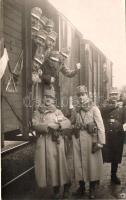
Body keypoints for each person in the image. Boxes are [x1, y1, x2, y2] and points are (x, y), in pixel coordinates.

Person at [32, 88, 71, 199]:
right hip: (43, 142)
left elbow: (67, 122)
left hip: (56, 142)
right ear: (43, 98)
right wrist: (47, 126)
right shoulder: (38, 111)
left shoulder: (57, 112)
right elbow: (35, 124)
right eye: (46, 97)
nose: (48, 99)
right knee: (49, 166)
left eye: (51, 97)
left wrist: (59, 125)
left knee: (59, 165)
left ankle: (66, 184)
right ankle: (56, 189)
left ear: (54, 100)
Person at [70, 85, 105, 199]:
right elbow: (71, 122)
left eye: (83, 94)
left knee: (92, 164)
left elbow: (100, 126)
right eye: (79, 95)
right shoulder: (75, 109)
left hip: (91, 139)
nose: (81, 97)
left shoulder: (94, 108)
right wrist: (72, 125)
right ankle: (81, 187)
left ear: (87, 95)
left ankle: (92, 188)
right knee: (79, 163)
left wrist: (101, 142)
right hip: (78, 139)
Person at [100, 87, 126, 184]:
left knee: (115, 156)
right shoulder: (105, 105)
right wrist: (115, 105)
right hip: (106, 135)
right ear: (109, 96)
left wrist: (122, 128)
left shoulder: (123, 108)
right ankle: (97, 177)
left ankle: (113, 175)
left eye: (115, 94)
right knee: (102, 156)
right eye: (112, 94)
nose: (114, 96)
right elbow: (102, 110)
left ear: (118, 95)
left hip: (117, 135)